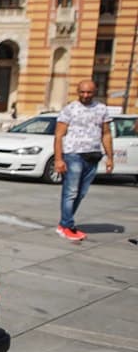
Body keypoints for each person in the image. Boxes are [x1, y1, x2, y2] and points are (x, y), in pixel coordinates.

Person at [53, 80, 114, 242]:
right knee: (71, 191)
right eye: (82, 92)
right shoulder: (70, 109)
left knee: (81, 193)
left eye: (89, 93)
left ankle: (64, 223)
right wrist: (58, 159)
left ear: (95, 92)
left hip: (93, 155)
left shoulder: (102, 109)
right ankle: (67, 226)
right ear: (77, 91)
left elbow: (106, 134)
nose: (85, 96)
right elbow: (59, 135)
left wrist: (110, 157)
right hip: (73, 154)